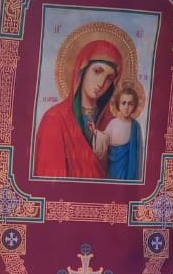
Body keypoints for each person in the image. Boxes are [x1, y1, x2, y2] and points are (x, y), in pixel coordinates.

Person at [33, 38, 122, 179]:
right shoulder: (55, 118)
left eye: (109, 78)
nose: (101, 83)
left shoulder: (112, 123)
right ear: (82, 70)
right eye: (97, 71)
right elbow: (49, 179)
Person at [102, 82, 144, 181]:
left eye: (130, 104)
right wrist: (94, 132)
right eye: (123, 103)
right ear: (118, 104)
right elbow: (103, 140)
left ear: (134, 106)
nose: (126, 107)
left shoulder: (136, 126)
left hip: (128, 169)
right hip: (113, 167)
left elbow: (138, 154)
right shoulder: (113, 123)